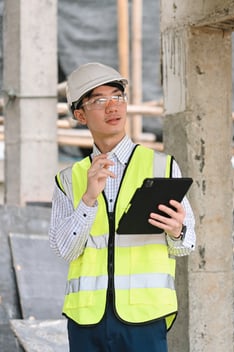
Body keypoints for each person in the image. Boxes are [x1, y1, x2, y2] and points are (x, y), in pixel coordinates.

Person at [49, 62, 196, 352]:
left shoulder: (162, 166)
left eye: (118, 97)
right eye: (99, 100)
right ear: (80, 114)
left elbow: (186, 245)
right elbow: (64, 250)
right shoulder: (68, 179)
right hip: (86, 319)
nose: (112, 107)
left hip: (144, 318)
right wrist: (88, 199)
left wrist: (178, 230)